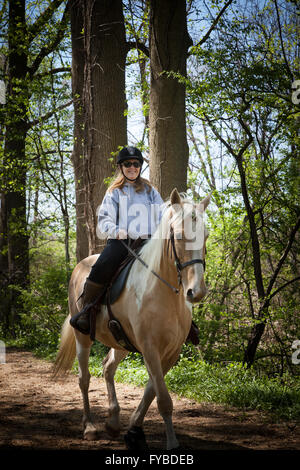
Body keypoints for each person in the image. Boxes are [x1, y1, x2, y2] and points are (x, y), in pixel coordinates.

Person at [70, 146, 164, 335]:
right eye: (128, 164)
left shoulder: (150, 190)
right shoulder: (114, 192)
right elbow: (104, 219)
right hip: (122, 242)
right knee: (102, 265)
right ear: (121, 167)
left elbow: (161, 215)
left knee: (173, 265)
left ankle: (182, 318)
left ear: (140, 167)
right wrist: (116, 230)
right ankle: (87, 311)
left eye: (136, 164)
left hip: (148, 242)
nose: (132, 167)